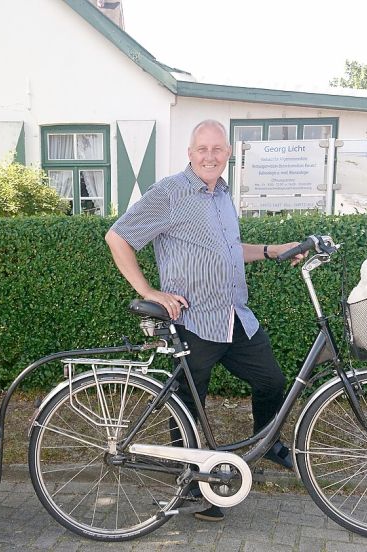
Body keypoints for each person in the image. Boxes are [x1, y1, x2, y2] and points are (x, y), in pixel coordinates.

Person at [105, 119, 304, 522]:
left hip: (234, 317)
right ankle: (192, 489)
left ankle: (268, 445)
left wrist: (271, 250)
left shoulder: (222, 195)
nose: (210, 156)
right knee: (188, 410)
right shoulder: (171, 192)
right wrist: (150, 291)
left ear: (227, 153)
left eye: (217, 149)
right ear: (190, 153)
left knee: (271, 381)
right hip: (193, 320)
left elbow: (231, 249)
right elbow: (118, 236)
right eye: (202, 149)